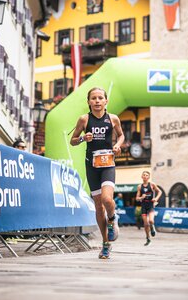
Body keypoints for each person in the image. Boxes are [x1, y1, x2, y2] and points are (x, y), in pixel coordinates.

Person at [70, 87, 124, 259]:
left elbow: (121, 136)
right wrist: (82, 138)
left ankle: (113, 218)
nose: (97, 101)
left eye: (100, 98)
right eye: (93, 98)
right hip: (92, 166)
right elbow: (72, 141)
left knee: (108, 199)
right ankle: (105, 244)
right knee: (99, 206)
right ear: (89, 102)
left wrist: (117, 146)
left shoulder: (113, 118)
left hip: (108, 164)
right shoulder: (84, 119)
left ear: (106, 101)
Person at [136, 171, 161, 246]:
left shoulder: (152, 184)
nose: (145, 176)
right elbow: (137, 198)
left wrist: (156, 198)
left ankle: (153, 228)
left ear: (149, 177)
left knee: (151, 220)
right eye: (144, 175)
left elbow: (160, 192)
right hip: (143, 206)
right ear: (142, 177)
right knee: (146, 224)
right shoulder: (140, 186)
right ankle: (148, 238)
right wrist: (141, 197)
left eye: (147, 175)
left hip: (150, 205)